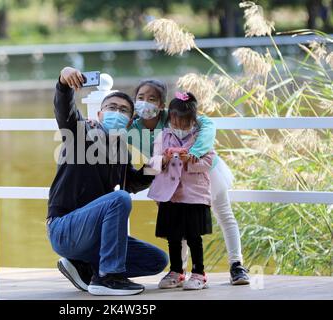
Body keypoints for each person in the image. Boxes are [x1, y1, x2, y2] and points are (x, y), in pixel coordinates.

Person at [47, 66, 168, 296]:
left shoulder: (122, 151)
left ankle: (85, 267)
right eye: (111, 107)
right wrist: (63, 80)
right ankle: (108, 278)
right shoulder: (81, 133)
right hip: (64, 228)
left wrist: (154, 168)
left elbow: (131, 183)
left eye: (124, 110)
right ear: (99, 115)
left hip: (92, 237)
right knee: (118, 199)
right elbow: (65, 110)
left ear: (130, 120)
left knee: (157, 260)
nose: (117, 112)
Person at [130, 79, 250, 286]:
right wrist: (160, 186)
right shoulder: (131, 128)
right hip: (170, 177)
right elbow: (151, 161)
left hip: (203, 171)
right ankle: (179, 271)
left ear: (162, 104)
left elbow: (208, 125)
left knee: (224, 214)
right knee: (178, 225)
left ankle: (236, 264)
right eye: (140, 98)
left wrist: (195, 153)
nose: (145, 103)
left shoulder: (176, 114)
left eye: (152, 99)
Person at [147, 92, 215, 290]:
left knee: (194, 235)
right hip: (171, 195)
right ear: (170, 118)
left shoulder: (200, 138)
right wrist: (165, 160)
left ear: (193, 119)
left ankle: (199, 272)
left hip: (193, 194)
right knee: (173, 235)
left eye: (184, 121)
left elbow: (208, 162)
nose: (179, 124)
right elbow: (152, 163)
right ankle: (176, 271)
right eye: (175, 120)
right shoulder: (163, 136)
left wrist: (190, 162)